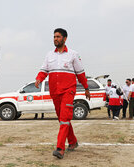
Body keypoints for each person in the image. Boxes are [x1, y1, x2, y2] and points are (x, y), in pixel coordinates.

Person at [35, 28, 90, 159]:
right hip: (55, 92)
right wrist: (39, 78)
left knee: (64, 119)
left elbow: (80, 73)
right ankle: (72, 142)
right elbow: (44, 70)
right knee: (62, 119)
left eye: (58, 37)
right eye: (54, 37)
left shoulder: (73, 54)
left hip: (68, 91)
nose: (55, 39)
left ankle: (60, 148)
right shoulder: (49, 55)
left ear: (65, 39)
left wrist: (86, 88)